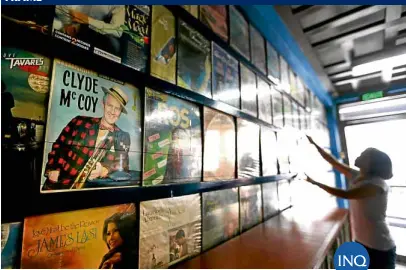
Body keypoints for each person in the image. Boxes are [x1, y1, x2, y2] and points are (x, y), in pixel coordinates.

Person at [305, 135, 396, 269]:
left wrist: (315, 183)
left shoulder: (377, 184)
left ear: (371, 164)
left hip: (379, 246)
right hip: (361, 241)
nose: (359, 155)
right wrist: (314, 144)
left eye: (364, 155)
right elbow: (334, 163)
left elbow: (346, 194)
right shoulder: (358, 176)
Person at [43, 86, 131, 190]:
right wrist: (53, 168)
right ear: (103, 105)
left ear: (120, 112)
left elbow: (123, 166)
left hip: (88, 195)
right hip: (58, 185)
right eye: (110, 105)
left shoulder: (123, 136)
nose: (112, 111)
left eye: (117, 108)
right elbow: (59, 145)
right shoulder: (78, 122)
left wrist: (104, 170)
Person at [53, 5, 125, 55]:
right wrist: (67, 24)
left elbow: (118, 31)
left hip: (94, 31)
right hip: (69, 22)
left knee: (115, 45)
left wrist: (89, 21)